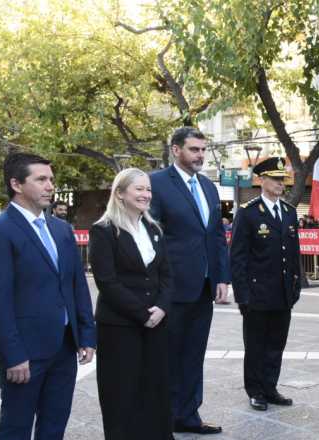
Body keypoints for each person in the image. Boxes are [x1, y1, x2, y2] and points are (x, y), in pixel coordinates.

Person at [0, 152, 96, 439]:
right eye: (41, 179)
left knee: (54, 426)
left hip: (64, 347)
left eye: (51, 179)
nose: (50, 186)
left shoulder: (61, 228)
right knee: (15, 429)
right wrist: (13, 354)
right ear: (16, 184)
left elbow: (76, 285)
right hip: (24, 354)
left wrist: (87, 335)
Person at [149, 127, 230, 435]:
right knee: (168, 356)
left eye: (202, 150)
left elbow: (216, 235)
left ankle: (188, 416)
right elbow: (151, 237)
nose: (199, 155)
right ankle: (164, 419)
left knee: (194, 355)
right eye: (194, 149)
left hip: (204, 287)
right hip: (172, 289)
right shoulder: (155, 184)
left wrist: (221, 275)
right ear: (175, 150)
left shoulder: (209, 187)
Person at [89, 168, 174, 440]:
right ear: (120, 193)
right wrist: (141, 313)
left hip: (156, 323)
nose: (146, 194)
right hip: (119, 326)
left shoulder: (154, 228)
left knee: (156, 389)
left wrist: (161, 307)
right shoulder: (103, 231)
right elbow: (107, 281)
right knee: (121, 393)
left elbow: (166, 275)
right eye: (138, 189)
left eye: (148, 189)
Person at [231, 157, 302, 411]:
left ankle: (270, 387)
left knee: (276, 344)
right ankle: (256, 390)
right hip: (257, 293)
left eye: (283, 179)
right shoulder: (248, 213)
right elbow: (237, 257)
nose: (280, 184)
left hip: (282, 292)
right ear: (261, 181)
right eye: (275, 179)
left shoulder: (289, 212)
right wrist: (242, 295)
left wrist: (296, 285)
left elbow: (294, 253)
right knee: (256, 345)